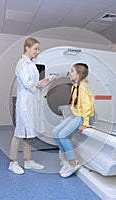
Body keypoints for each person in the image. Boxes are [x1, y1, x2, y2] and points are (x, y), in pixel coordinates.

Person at [9, 37, 52, 175]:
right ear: (27, 48)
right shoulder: (21, 63)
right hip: (25, 103)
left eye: (38, 49)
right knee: (19, 133)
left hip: (32, 101)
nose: (37, 51)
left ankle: (28, 161)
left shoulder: (31, 63)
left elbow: (33, 83)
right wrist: (39, 84)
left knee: (29, 134)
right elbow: (27, 84)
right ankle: (13, 162)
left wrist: (43, 83)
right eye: (35, 49)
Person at [52, 63, 94, 178]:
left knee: (62, 135)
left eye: (72, 71)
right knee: (55, 132)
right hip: (76, 115)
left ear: (79, 75)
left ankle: (72, 162)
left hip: (83, 117)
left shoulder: (83, 87)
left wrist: (85, 123)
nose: (69, 73)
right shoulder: (75, 86)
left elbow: (87, 106)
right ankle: (65, 158)